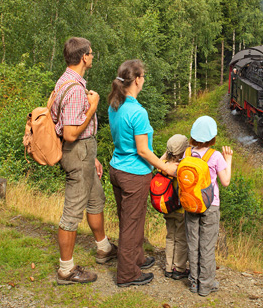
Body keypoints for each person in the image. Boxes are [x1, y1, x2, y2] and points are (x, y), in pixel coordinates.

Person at [51, 37, 116, 285]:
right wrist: (93, 107)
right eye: (90, 52)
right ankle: (66, 270)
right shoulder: (77, 90)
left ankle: (104, 248)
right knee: (72, 212)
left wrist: (93, 156)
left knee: (96, 198)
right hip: (77, 152)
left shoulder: (65, 80)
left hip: (85, 152)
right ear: (83, 57)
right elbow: (69, 133)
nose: (92, 55)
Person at [107, 60, 176, 288]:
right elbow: (143, 150)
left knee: (131, 220)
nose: (144, 80)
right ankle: (127, 274)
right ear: (136, 79)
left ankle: (136, 259)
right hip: (133, 175)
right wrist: (165, 167)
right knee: (131, 224)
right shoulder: (138, 112)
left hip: (117, 169)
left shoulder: (114, 105)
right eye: (143, 76)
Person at [185, 116, 233, 297]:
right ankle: (206, 285)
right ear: (213, 137)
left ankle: (194, 282)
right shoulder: (215, 156)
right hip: (210, 206)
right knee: (206, 246)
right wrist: (228, 160)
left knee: (193, 243)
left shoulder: (187, 153)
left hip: (191, 205)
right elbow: (226, 181)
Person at [162, 134, 189, 280]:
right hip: (180, 209)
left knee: (170, 236)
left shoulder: (164, 164)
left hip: (167, 208)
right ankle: (179, 268)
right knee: (181, 238)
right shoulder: (181, 167)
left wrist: (167, 153)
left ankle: (168, 267)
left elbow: (158, 162)